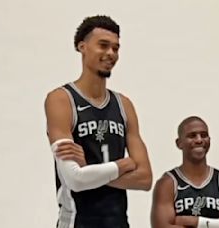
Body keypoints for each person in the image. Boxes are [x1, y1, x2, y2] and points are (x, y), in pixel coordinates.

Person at [44, 15, 152, 228]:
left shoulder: (124, 104)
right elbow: (75, 180)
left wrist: (92, 170)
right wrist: (123, 165)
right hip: (77, 222)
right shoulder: (61, 99)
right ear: (82, 47)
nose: (111, 53)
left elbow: (145, 179)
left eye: (116, 48)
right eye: (103, 45)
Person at [151, 116, 219, 228]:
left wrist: (196, 222)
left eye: (204, 135)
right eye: (192, 136)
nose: (199, 140)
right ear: (179, 143)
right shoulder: (168, 183)